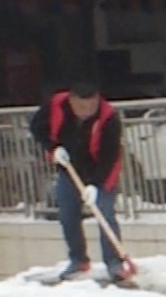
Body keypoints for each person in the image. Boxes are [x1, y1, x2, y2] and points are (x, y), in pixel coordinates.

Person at [30, 81, 129, 284]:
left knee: (105, 213)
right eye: (82, 107)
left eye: (92, 106)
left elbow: (109, 156)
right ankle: (78, 260)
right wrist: (53, 148)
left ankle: (114, 262)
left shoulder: (108, 117)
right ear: (72, 100)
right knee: (68, 215)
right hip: (70, 168)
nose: (87, 112)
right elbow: (37, 127)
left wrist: (95, 184)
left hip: (101, 171)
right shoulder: (56, 104)